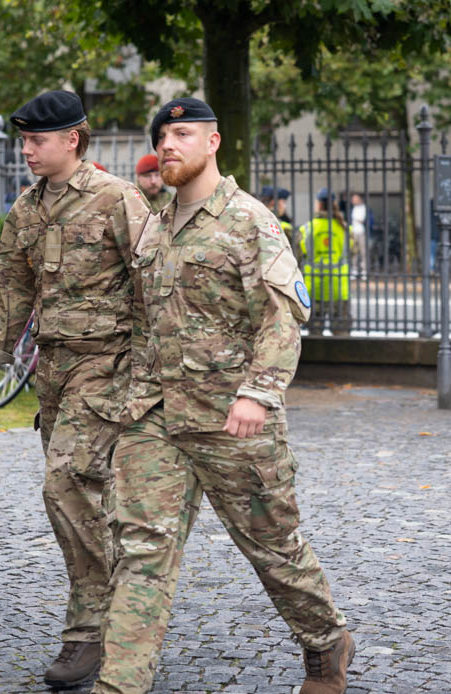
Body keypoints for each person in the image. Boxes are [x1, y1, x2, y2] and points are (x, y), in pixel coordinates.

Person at [92, 97, 352, 694]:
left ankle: (325, 641)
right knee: (141, 552)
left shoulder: (248, 220)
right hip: (156, 417)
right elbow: (141, 320)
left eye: (183, 132)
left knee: (274, 550)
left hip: (233, 419)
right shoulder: (155, 225)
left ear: (213, 142)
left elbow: (282, 317)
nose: (169, 144)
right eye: (163, 134)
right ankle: (119, 685)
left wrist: (258, 394)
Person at [0, 90, 155, 689]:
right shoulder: (27, 207)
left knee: (63, 485)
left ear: (74, 138)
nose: (27, 151)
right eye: (23, 140)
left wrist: (146, 376)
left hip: (107, 368)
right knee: (86, 499)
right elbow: (10, 288)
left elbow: (154, 286)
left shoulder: (118, 198)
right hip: (54, 372)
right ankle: (127, 614)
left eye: (37, 140)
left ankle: (89, 632)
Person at [298, 188, 351, 336]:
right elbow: (353, 251)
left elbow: (298, 256)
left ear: (319, 205)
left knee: (315, 333)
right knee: (342, 335)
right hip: (339, 287)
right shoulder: (344, 228)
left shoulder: (307, 229)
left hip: (315, 287)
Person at [349, 192, 368, 276]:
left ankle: (364, 270)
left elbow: (361, 219)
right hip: (354, 232)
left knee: (363, 251)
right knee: (354, 252)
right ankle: (354, 270)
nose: (353, 200)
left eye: (354, 198)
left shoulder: (363, 207)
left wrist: (356, 218)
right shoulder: (353, 208)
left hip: (360, 232)